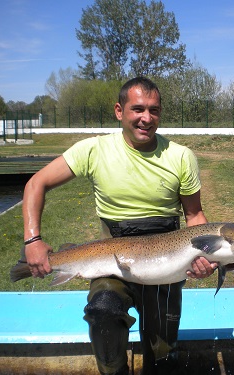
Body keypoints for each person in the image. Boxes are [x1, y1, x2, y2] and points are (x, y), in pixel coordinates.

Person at [21, 77, 217, 375]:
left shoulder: (180, 156)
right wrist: (32, 240)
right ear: (119, 111)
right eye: (138, 109)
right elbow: (37, 183)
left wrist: (206, 256)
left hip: (166, 259)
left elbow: (194, 216)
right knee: (103, 311)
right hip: (112, 258)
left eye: (154, 110)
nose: (146, 118)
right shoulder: (93, 150)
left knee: (163, 356)